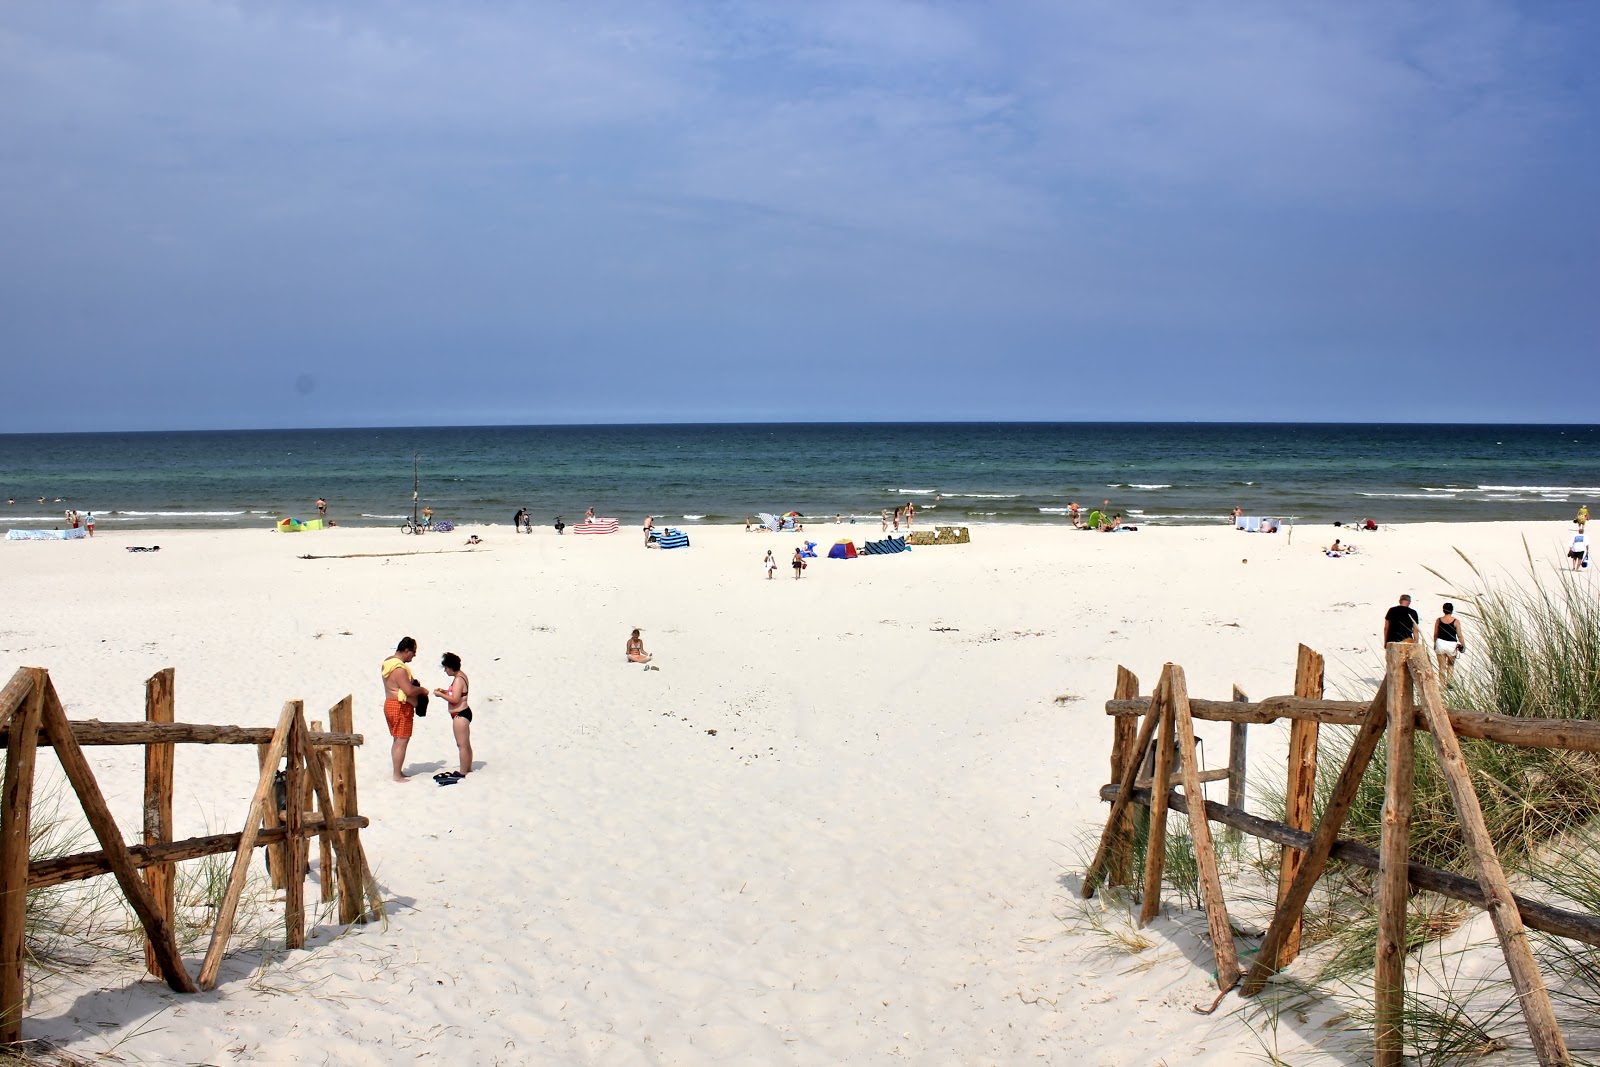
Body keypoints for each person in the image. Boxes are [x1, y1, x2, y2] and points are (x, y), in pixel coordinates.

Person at [380, 637, 430, 783]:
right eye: (413, 652)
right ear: (406, 650)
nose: (414, 655)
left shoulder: (387, 662)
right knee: (402, 741)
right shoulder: (399, 668)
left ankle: (397, 771)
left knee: (397, 740)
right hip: (399, 706)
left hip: (390, 703)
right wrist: (421, 689)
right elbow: (408, 690)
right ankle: (397, 774)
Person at [432, 652, 473, 778]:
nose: (445, 670)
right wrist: (445, 691)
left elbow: (455, 699)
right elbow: (458, 694)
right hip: (463, 712)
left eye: (445, 668)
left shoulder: (458, 680)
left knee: (461, 745)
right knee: (466, 743)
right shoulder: (461, 676)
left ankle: (463, 771)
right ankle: (468, 767)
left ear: (451, 667)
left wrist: (440, 695)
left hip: (460, 714)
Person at [1433, 603, 1464, 686]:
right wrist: (1463, 645)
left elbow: (1436, 633)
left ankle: (1442, 685)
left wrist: (1435, 643)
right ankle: (1449, 682)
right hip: (1451, 644)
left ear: (1443, 610)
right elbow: (1459, 635)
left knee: (1441, 667)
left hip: (1440, 643)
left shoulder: (1439, 620)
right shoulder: (1456, 621)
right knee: (1450, 665)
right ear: (1452, 610)